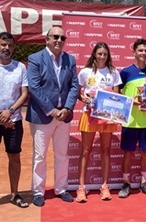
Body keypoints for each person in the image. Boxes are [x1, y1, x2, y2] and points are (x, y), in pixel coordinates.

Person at [26, 26, 79, 207]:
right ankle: (38, 191)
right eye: (55, 36)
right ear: (47, 39)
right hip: (43, 116)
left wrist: (67, 107)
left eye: (62, 37)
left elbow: (74, 86)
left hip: (64, 116)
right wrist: (52, 110)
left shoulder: (70, 59)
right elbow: (34, 87)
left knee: (62, 154)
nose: (59, 40)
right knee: (40, 155)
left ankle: (61, 188)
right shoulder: (35, 59)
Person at [75, 42, 122, 202]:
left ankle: (104, 186)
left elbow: (117, 96)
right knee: (86, 150)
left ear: (108, 56)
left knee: (105, 150)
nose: (102, 57)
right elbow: (78, 92)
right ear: (94, 54)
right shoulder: (85, 72)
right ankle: (81, 187)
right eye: (99, 53)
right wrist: (84, 98)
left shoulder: (114, 72)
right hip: (89, 115)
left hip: (107, 117)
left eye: (105, 54)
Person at [118, 38, 146, 198]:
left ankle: (144, 182)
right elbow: (117, 93)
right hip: (130, 121)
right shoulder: (125, 72)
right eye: (140, 50)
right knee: (128, 153)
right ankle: (126, 183)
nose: (143, 53)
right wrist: (130, 101)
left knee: (145, 153)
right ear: (134, 52)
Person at [0, 32, 29, 208]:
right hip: (4, 119)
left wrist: (9, 112)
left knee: (15, 158)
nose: (6, 48)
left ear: (14, 47)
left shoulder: (20, 68)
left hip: (14, 120)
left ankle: (14, 194)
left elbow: (24, 93)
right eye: (3, 45)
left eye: (10, 45)